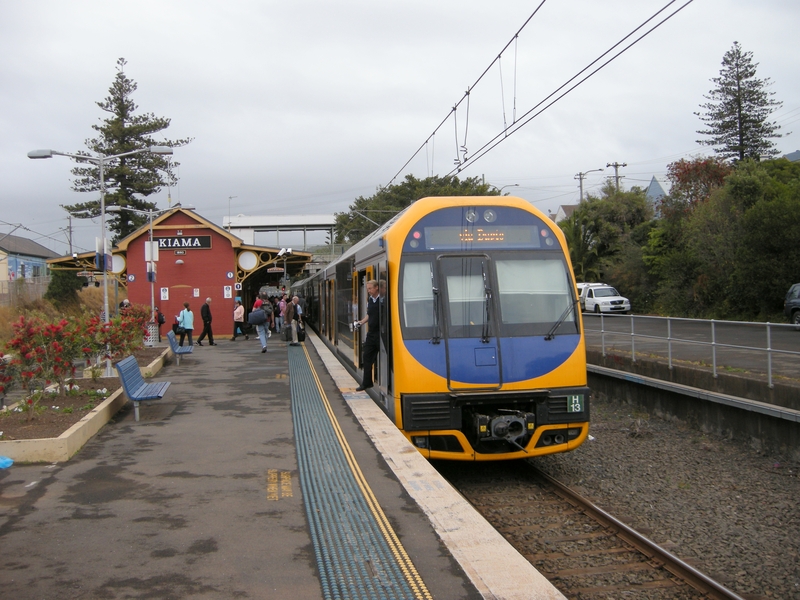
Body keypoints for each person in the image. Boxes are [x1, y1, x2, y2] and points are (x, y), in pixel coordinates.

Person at [355, 279, 380, 391]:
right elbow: (369, 315)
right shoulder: (370, 300)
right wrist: (361, 322)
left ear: (376, 288)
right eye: (367, 288)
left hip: (381, 333)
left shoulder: (383, 299)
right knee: (366, 357)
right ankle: (367, 383)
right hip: (371, 333)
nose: (369, 291)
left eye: (370, 288)